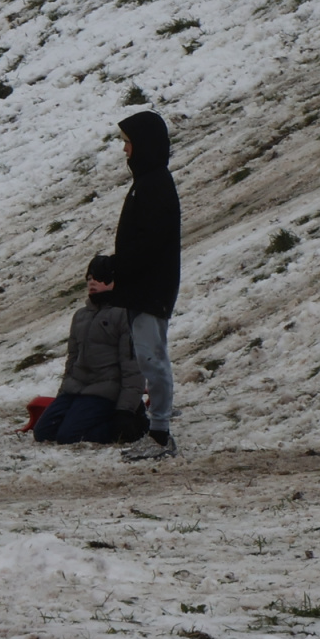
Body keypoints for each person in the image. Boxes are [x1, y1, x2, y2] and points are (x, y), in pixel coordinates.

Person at [110, 110, 182, 461]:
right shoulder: (147, 182)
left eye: (128, 142)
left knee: (154, 361)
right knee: (149, 358)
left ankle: (160, 434)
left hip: (152, 289)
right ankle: (158, 430)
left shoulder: (155, 185)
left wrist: (114, 266)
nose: (125, 150)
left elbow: (149, 244)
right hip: (143, 288)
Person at [34, 256, 147, 446]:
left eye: (100, 277)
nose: (92, 282)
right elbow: (72, 359)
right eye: (89, 278)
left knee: (69, 437)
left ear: (115, 281)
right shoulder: (81, 316)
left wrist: (125, 410)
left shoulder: (125, 314)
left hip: (105, 390)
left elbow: (133, 367)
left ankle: (134, 424)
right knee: (43, 432)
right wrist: (62, 396)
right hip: (76, 389)